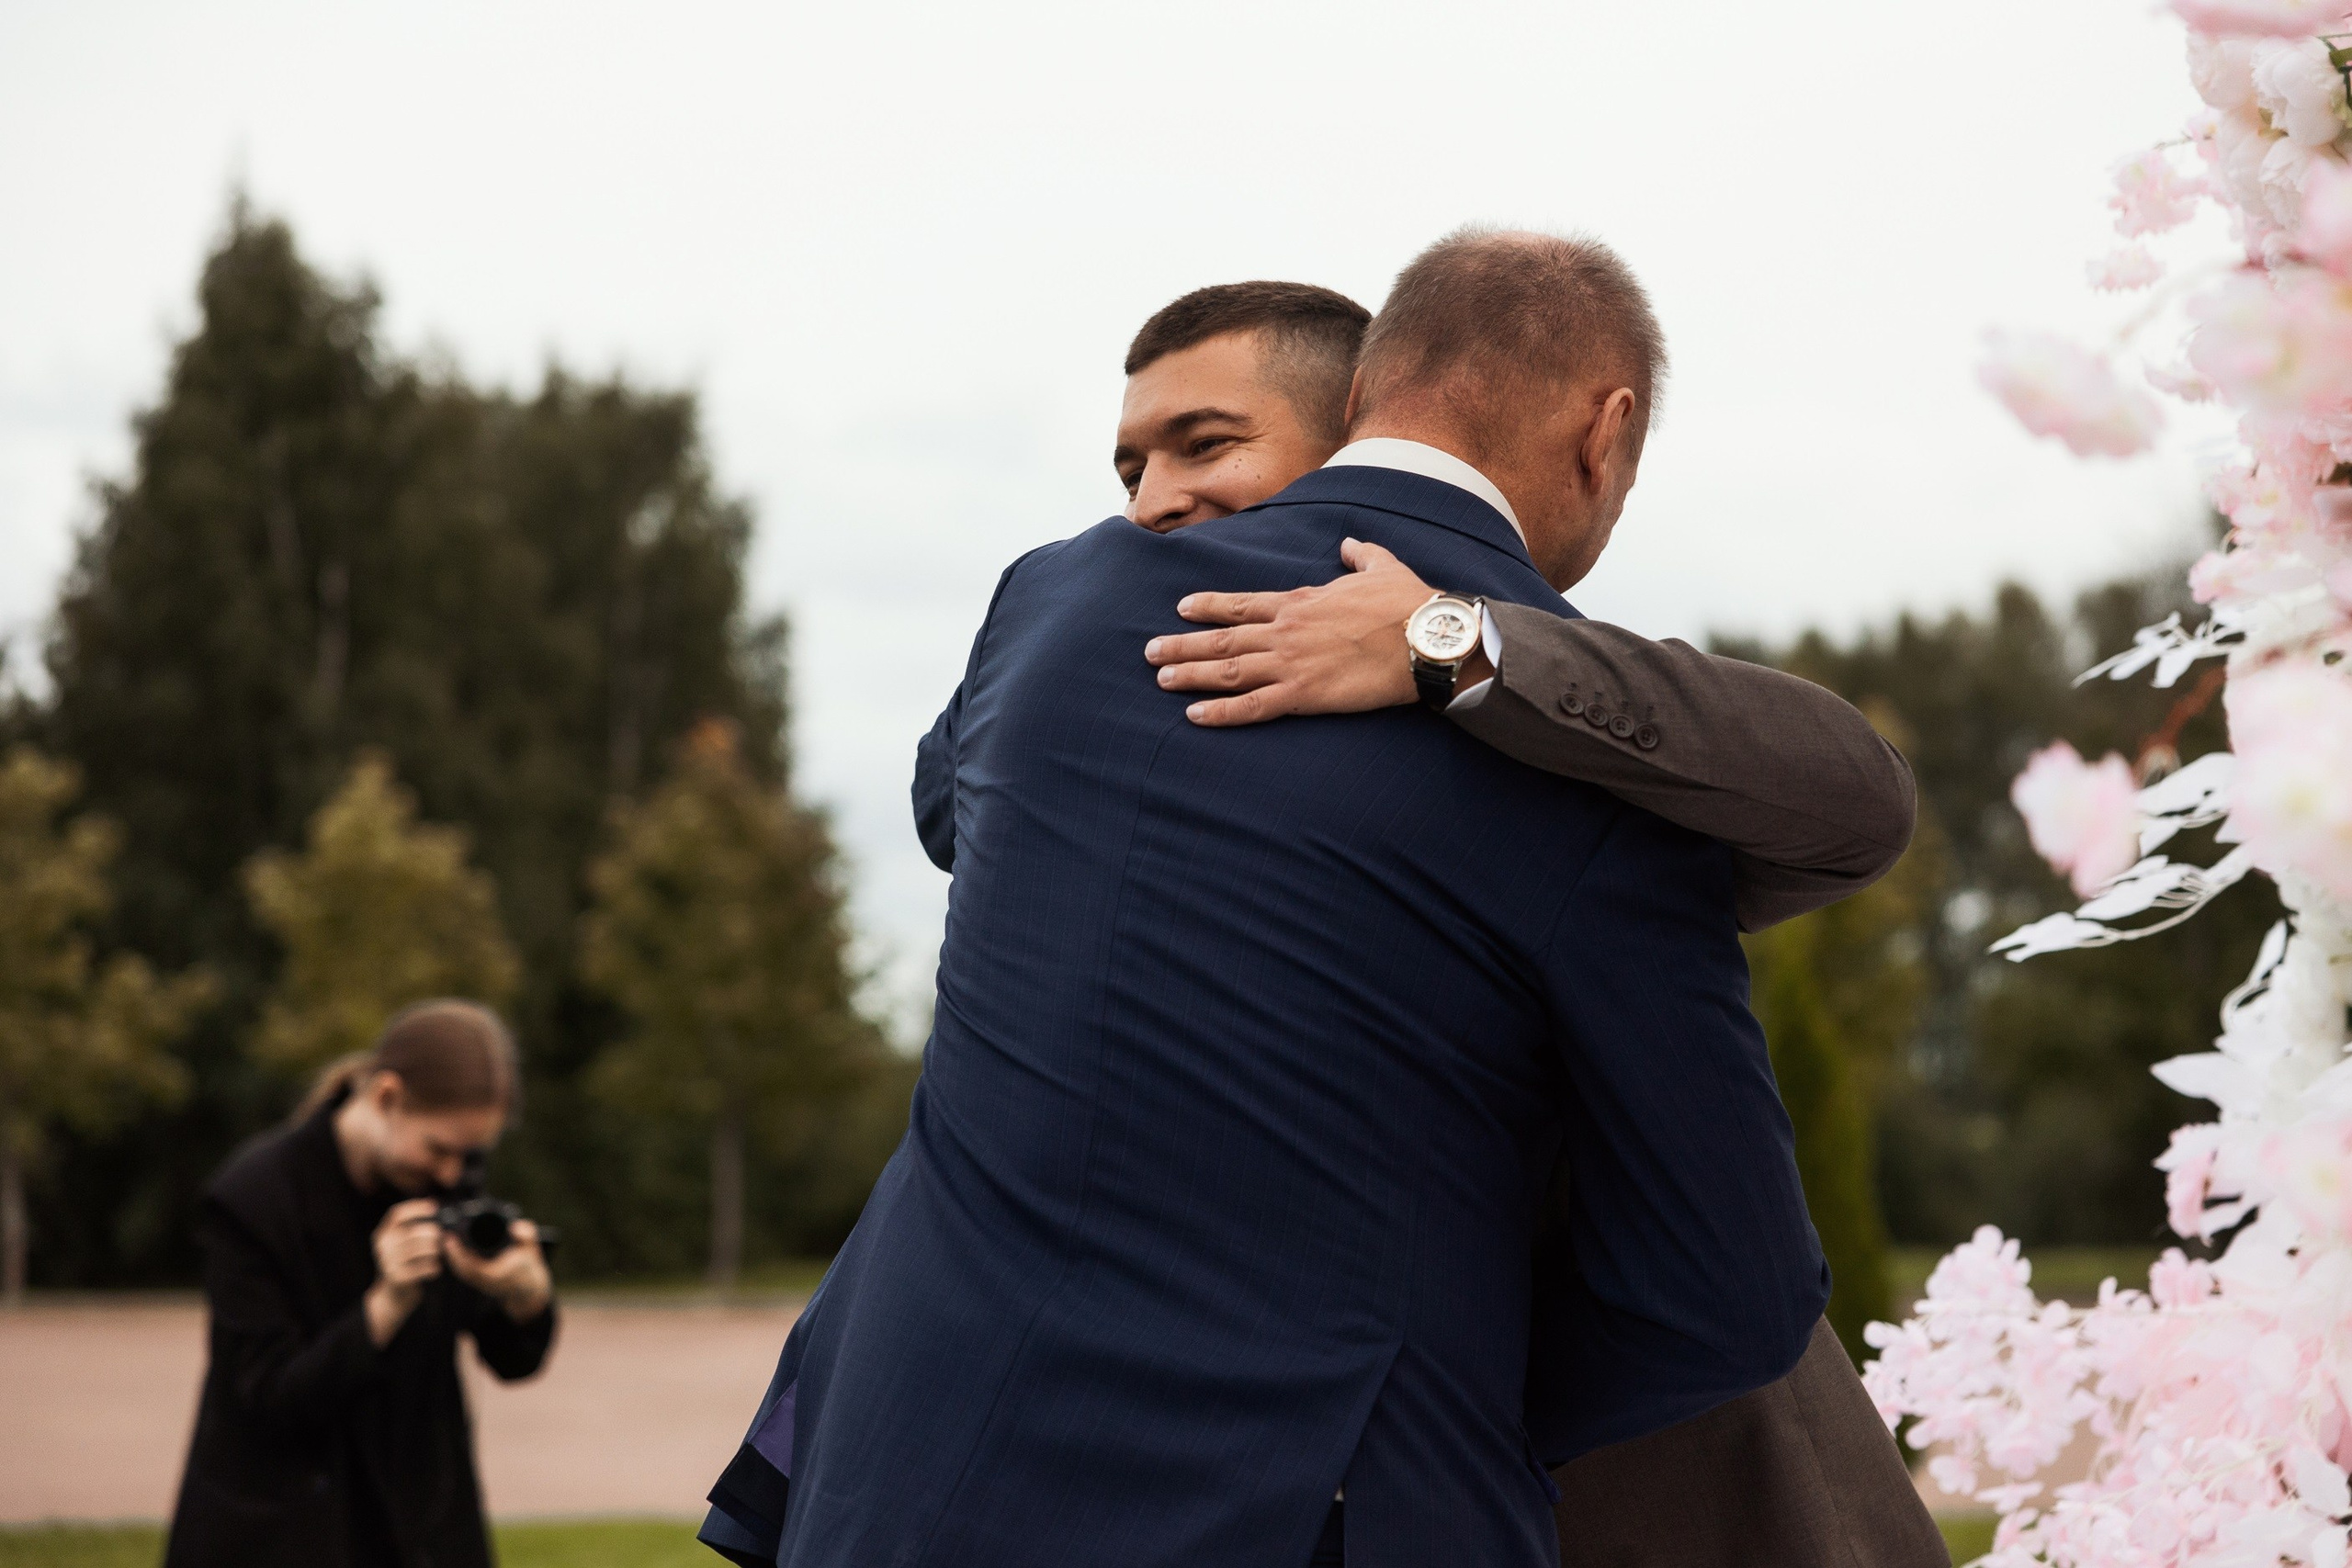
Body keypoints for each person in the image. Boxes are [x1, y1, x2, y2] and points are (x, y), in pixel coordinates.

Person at [703, 228, 1836, 1568]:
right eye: (1133, 463)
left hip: (913, 1481)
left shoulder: (1051, 604)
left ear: (1357, 410)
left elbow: (950, 811)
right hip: (1323, 1496)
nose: (1153, 501)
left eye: (1201, 447)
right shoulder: (1605, 776)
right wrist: (1464, 1388)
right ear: (1609, 433)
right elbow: (1733, 1291)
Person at [165, 1000, 556, 1568]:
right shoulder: (254, 1199)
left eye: (470, 1154)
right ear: (386, 1097)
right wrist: (386, 1305)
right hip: (282, 1530)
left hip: (423, 1525)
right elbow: (270, 1402)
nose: (453, 1174)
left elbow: (514, 1358)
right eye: (439, 1149)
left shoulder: (446, 1184)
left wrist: (524, 1295)